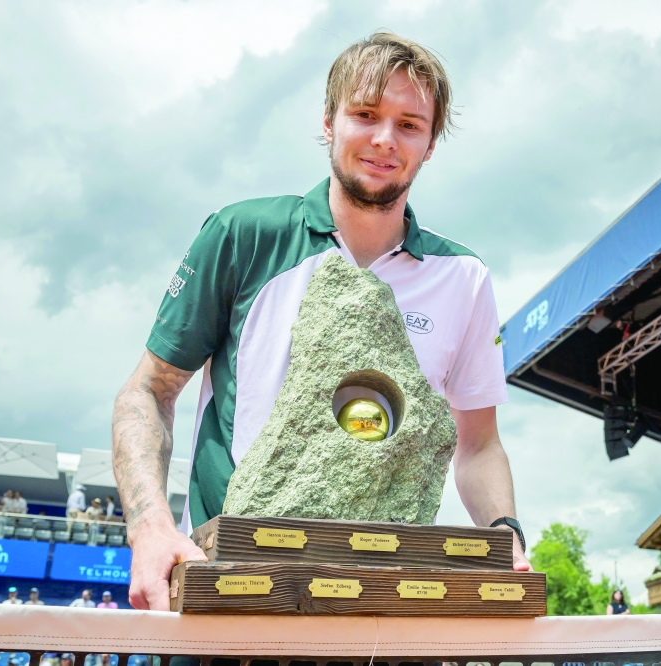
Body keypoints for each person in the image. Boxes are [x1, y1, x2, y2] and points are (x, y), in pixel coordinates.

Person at [112, 31, 530, 612]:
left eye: (410, 124)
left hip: (379, 602)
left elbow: (478, 443)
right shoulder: (243, 234)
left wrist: (504, 530)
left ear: (432, 143)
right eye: (365, 114)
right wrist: (150, 527)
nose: (385, 139)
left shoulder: (463, 277)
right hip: (228, 586)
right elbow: (148, 392)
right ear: (329, 122)